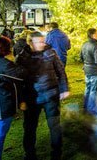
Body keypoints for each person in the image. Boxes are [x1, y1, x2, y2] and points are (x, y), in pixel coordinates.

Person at [16, 31, 70, 160]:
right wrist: (21, 100)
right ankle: (29, 154)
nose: (43, 43)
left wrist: (64, 88)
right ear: (30, 43)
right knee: (29, 128)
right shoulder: (22, 57)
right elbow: (18, 81)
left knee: (54, 126)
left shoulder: (51, 53)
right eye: (39, 41)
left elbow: (61, 71)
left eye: (43, 41)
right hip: (31, 98)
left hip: (51, 95)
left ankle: (56, 154)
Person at [80, 28, 97, 114]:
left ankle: (85, 106)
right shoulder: (96, 45)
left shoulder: (84, 44)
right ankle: (90, 108)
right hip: (94, 70)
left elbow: (81, 57)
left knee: (87, 88)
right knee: (93, 90)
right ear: (93, 35)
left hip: (87, 69)